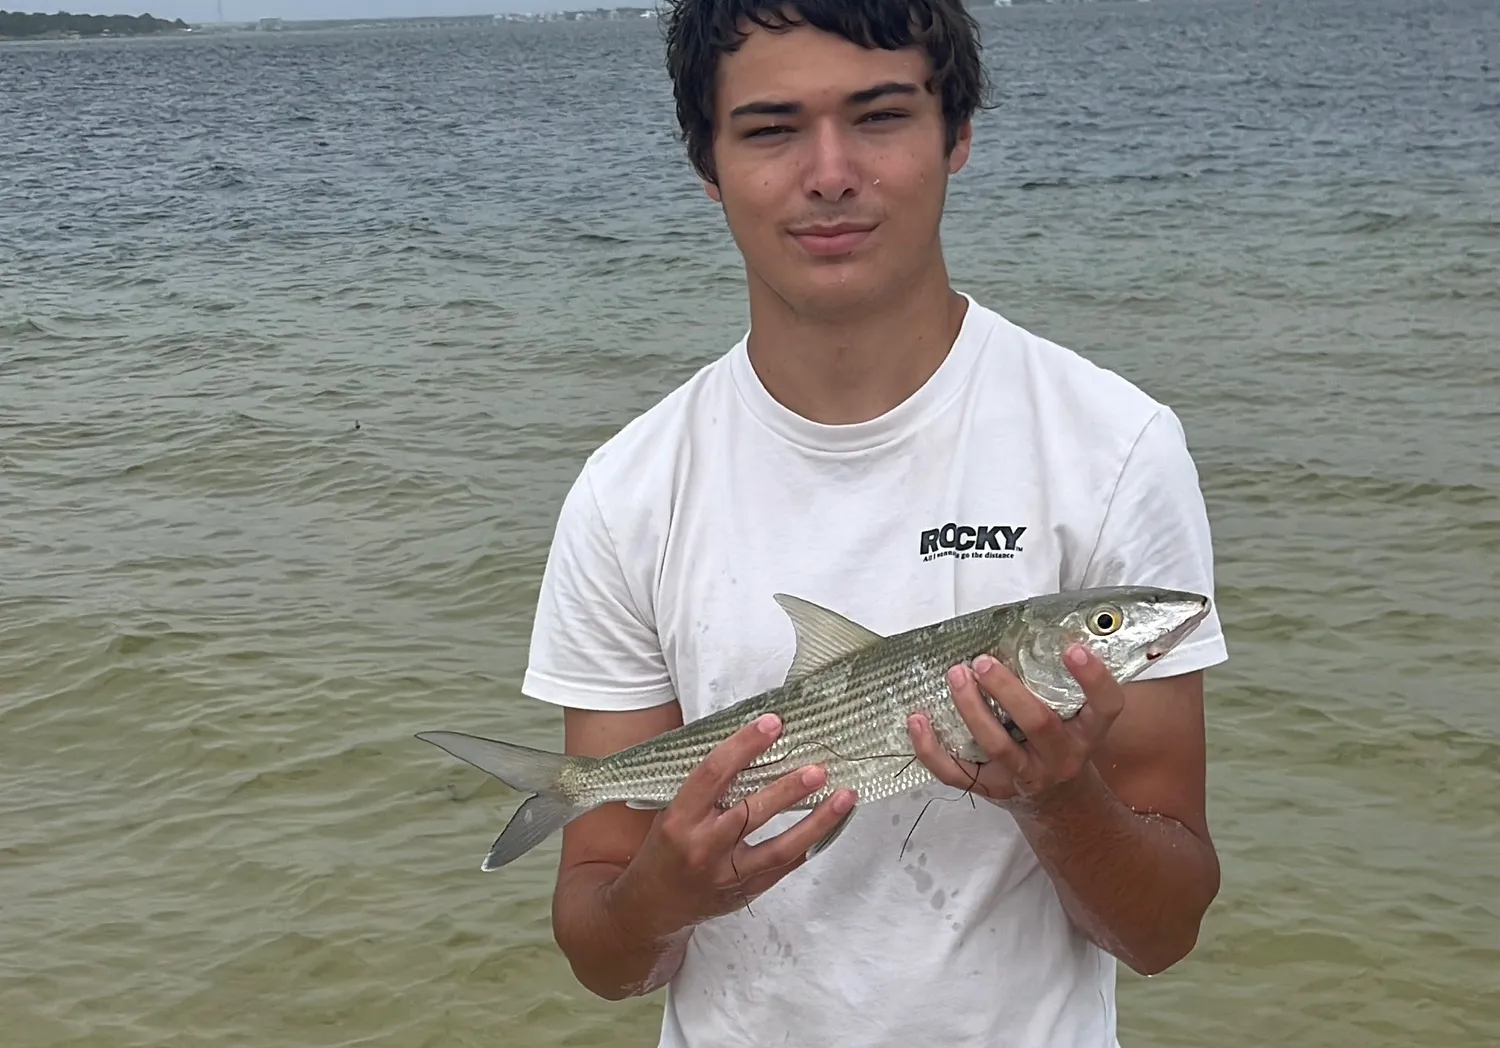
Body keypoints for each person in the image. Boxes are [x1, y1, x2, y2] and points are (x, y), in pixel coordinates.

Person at [518, 1, 1228, 1044]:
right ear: (705, 163)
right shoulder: (628, 489)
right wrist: (665, 893)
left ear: (960, 134)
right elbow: (601, 950)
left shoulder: (1114, 446)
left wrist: (1060, 800)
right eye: (770, 129)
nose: (832, 171)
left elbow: (1163, 932)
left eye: (881, 116)